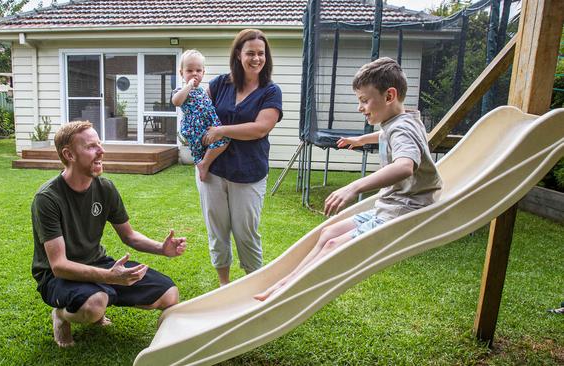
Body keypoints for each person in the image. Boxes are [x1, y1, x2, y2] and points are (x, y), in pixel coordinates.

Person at [254, 57, 442, 301]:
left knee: (334, 247)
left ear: (389, 96)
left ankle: (288, 291)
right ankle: (286, 282)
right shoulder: (403, 120)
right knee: (328, 233)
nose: (360, 107)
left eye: (364, 100)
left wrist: (353, 187)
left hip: (405, 210)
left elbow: (405, 166)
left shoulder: (401, 129)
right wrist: (362, 140)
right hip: (392, 205)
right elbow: (388, 134)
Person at [31, 121, 187, 347]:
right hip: (58, 277)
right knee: (95, 304)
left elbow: (129, 236)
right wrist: (111, 278)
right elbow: (59, 265)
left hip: (98, 264)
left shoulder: (105, 188)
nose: (101, 151)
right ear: (69, 154)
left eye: (100, 144)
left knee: (170, 294)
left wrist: (161, 249)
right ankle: (61, 315)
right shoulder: (47, 199)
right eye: (91, 146)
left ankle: (101, 293)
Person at [198, 29, 283, 286]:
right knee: (217, 232)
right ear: (238, 54)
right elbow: (201, 117)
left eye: (261, 53)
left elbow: (260, 128)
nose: (256, 58)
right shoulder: (219, 84)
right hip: (212, 170)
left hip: (248, 173)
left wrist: (221, 130)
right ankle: (224, 287)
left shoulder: (270, 91)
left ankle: (253, 288)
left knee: (246, 234)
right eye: (250, 53)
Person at [172, 49, 230, 182]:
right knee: (198, 150)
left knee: (225, 139)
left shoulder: (203, 91)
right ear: (182, 73)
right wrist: (189, 86)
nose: (194, 74)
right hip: (194, 128)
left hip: (207, 126)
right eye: (189, 70)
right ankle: (201, 165)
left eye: (198, 70)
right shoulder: (180, 90)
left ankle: (205, 163)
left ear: (203, 72)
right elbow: (176, 101)